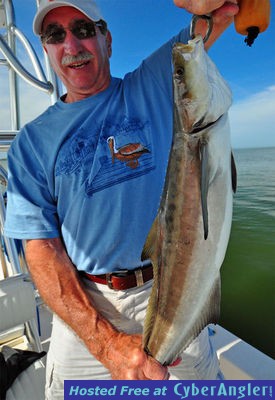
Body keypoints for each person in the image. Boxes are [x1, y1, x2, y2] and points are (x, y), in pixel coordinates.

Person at [4, 0, 239, 398]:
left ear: (106, 39)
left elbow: (214, 18)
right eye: (55, 35)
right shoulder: (30, 144)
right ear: (46, 49)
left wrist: (200, 6)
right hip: (87, 306)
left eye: (83, 29)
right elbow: (41, 248)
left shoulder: (149, 83)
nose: (71, 45)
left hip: (170, 285)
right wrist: (107, 345)